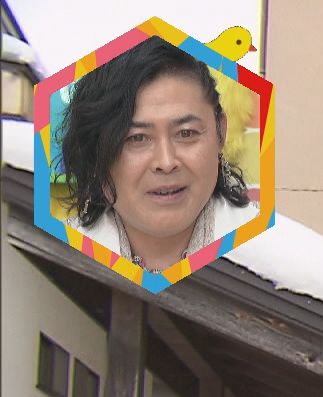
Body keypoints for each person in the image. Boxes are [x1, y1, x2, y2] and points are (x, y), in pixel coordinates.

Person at [58, 37, 256, 271]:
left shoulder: (267, 253)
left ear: (220, 132)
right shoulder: (60, 254)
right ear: (94, 149)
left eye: (186, 133)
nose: (166, 162)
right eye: (137, 138)